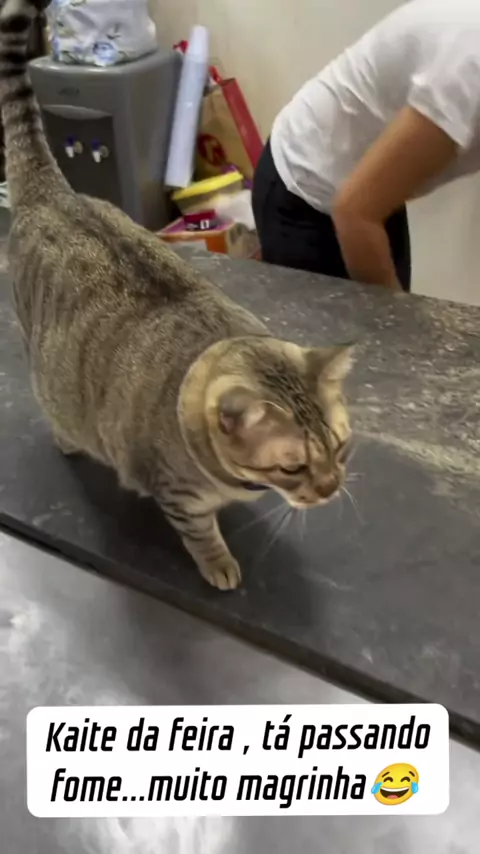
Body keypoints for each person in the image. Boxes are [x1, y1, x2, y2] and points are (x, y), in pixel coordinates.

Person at [252, 0, 480, 292]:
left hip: (369, 194)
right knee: (379, 317)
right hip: (307, 191)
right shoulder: (466, 75)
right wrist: (395, 317)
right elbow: (354, 213)